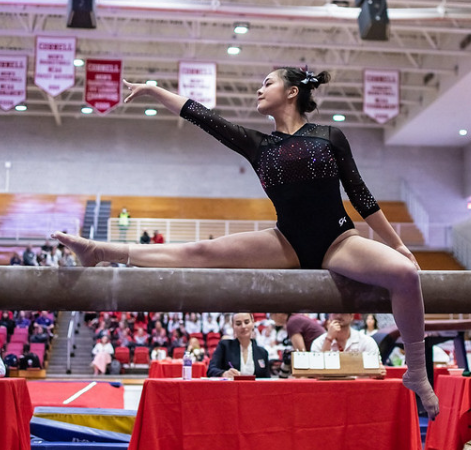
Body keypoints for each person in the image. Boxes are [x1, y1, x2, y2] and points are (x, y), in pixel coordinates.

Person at [52, 67, 438, 418]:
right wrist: (154, 89)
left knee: (405, 273)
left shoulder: (329, 137)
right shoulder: (258, 145)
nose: (259, 88)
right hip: (285, 241)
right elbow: (201, 116)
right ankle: (101, 251)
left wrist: (398, 246)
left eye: (267, 82)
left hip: (338, 240)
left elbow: (361, 197)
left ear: (291, 92)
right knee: (199, 252)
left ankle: (416, 373)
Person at [207, 313, 270, 379]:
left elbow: (267, 380)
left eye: (246, 322)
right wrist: (223, 373)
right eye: (238, 324)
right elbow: (211, 370)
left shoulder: (262, 352)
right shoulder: (224, 346)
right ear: (233, 326)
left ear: (253, 323)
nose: (243, 326)